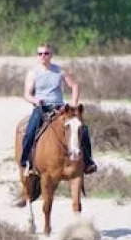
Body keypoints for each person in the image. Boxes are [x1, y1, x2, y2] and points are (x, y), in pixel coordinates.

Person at [20, 43, 96, 175]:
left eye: (46, 53)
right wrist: (35, 100)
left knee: (82, 128)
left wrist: (73, 103)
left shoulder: (59, 71)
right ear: (37, 56)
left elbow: (74, 86)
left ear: (51, 55)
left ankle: (88, 161)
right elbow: (27, 94)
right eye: (40, 54)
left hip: (60, 108)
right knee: (30, 130)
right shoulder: (33, 73)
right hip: (41, 108)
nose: (43, 56)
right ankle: (26, 160)